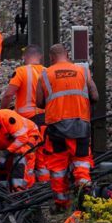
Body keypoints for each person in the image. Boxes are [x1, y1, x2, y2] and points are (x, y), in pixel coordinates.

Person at [36, 43, 99, 207]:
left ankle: (61, 203)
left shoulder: (45, 74)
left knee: (58, 165)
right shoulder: (83, 71)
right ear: (68, 55)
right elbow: (95, 96)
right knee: (81, 160)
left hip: (57, 127)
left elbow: (40, 102)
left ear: (51, 58)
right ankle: (85, 194)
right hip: (81, 123)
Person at [0, 109, 43, 191]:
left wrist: (7, 152)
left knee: (21, 157)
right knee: (2, 166)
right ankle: (5, 188)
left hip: (30, 135)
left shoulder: (6, 117)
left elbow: (22, 138)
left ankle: (23, 189)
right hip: (12, 145)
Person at [1, 44, 46, 125]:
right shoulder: (48, 71)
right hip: (46, 117)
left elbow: (8, 95)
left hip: (26, 119)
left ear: (24, 56)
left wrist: (2, 112)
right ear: (40, 56)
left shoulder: (21, 71)